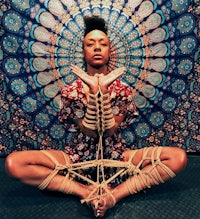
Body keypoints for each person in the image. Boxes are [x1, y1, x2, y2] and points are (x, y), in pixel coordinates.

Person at [5, 16, 187, 217]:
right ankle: (84, 190)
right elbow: (90, 132)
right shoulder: (71, 91)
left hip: (116, 156)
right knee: (14, 163)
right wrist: (93, 93)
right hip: (77, 158)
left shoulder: (123, 91)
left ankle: (115, 195)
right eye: (90, 44)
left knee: (177, 158)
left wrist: (105, 92)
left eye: (103, 44)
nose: (97, 48)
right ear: (83, 52)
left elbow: (108, 131)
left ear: (110, 50)